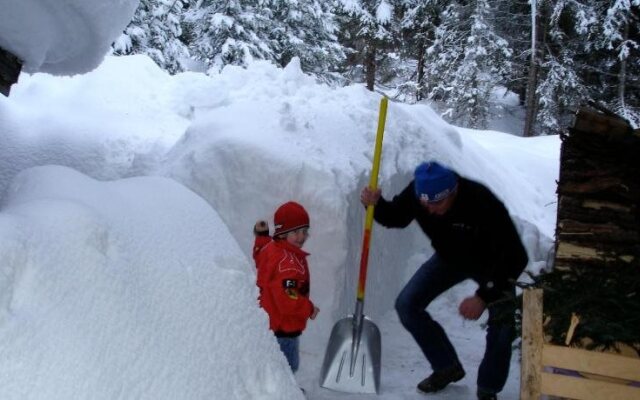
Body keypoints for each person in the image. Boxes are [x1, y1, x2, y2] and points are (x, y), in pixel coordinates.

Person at [360, 161, 528, 400]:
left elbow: (516, 256)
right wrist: (375, 205)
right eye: (424, 203)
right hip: (449, 258)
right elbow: (395, 217)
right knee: (407, 305)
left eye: (437, 203)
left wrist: (484, 296)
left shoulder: (481, 201)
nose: (429, 209)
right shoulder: (421, 192)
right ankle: (446, 367)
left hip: (493, 264)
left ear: (454, 190)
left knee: (502, 324)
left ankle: (489, 387)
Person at [252, 201, 320, 374]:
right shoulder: (289, 264)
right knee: (288, 368)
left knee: (278, 366)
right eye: (295, 232)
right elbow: (287, 297)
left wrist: (261, 237)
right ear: (282, 233)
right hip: (285, 326)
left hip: (272, 321)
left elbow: (261, 256)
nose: (301, 237)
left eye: (304, 231)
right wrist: (308, 308)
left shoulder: (273, 249)